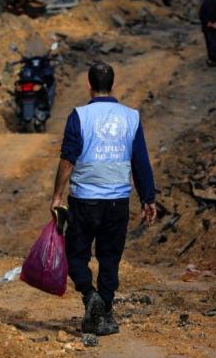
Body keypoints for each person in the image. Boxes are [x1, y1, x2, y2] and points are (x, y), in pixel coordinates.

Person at [51, 62, 157, 336]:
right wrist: (148, 198)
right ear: (113, 85)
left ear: (88, 85)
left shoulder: (79, 116)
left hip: (84, 199)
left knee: (75, 255)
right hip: (117, 201)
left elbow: (67, 159)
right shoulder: (130, 117)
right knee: (110, 257)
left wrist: (58, 195)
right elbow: (141, 161)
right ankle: (104, 312)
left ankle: (90, 296)